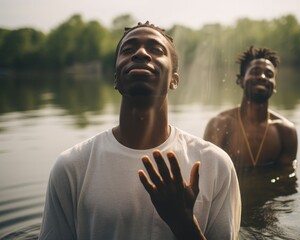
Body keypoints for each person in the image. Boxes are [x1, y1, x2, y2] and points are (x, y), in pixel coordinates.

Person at [39, 21, 241, 240]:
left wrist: (183, 223)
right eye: (128, 49)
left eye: (156, 49)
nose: (141, 53)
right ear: (116, 78)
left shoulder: (215, 164)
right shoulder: (72, 166)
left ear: (174, 80)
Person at [203, 46, 298, 169]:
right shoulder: (219, 124)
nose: (262, 77)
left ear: (274, 86)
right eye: (255, 72)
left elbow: (287, 179)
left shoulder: (285, 131)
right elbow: (208, 172)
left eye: (269, 74)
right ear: (241, 80)